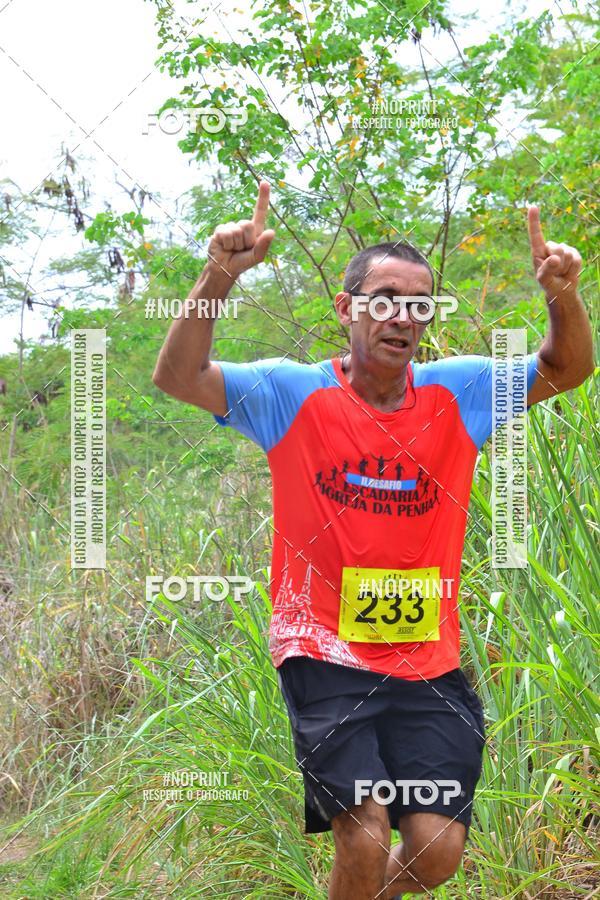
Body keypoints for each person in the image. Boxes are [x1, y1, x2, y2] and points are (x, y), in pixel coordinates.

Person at [152, 181, 594, 898]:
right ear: (347, 307)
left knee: (436, 853)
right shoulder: (291, 392)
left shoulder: (460, 392)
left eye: (418, 303)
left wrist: (562, 295)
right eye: (384, 297)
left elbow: (567, 369)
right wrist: (218, 277)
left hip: (428, 661)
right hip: (321, 647)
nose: (402, 316)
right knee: (363, 831)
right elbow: (177, 375)